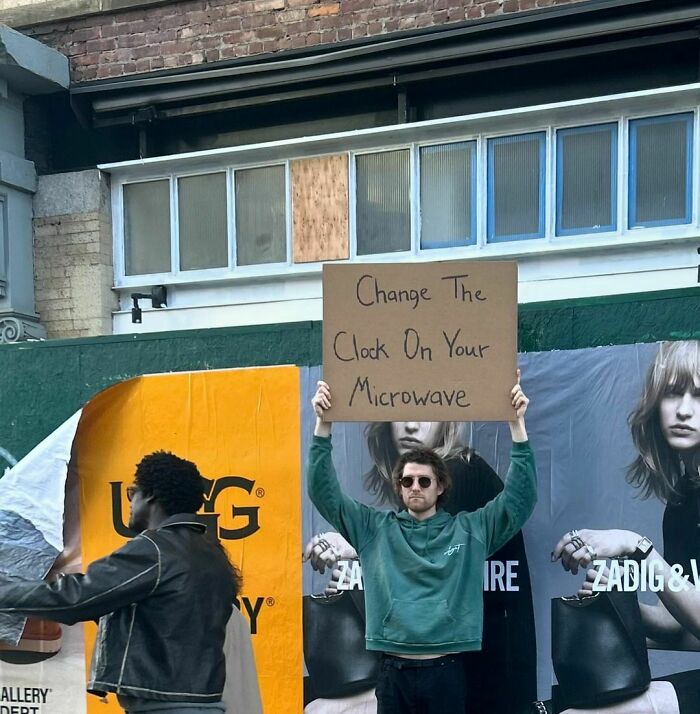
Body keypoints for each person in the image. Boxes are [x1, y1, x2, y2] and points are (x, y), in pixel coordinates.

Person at [307, 375, 537, 714]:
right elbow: (323, 491)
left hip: (446, 670)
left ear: (441, 487)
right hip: (393, 672)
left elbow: (520, 499)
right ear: (398, 488)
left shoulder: (468, 531)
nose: (415, 486)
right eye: (407, 481)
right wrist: (322, 424)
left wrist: (517, 425)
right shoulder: (376, 530)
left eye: (424, 480)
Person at [0, 450, 240, 714]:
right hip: (200, 704)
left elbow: (74, 597)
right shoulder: (210, 552)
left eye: (131, 492)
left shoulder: (156, 550)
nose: (129, 502)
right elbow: (161, 618)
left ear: (150, 496)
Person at [552, 340, 700, 714]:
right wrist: (619, 600)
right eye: (672, 393)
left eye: (699, 395)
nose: (684, 410)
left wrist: (636, 546)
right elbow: (683, 626)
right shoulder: (683, 502)